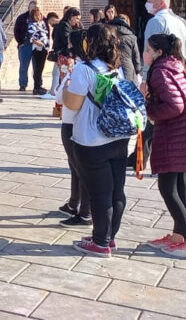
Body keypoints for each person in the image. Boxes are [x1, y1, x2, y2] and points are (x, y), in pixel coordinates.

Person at [61, 24, 131, 257]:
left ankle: (100, 242)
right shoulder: (115, 68)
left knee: (99, 193)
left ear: (88, 43)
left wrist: (66, 88)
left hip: (92, 139)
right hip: (118, 136)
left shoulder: (84, 69)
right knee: (116, 191)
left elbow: (73, 104)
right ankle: (109, 237)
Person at [142, 33, 186, 260]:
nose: (144, 53)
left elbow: (174, 106)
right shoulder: (175, 64)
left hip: (176, 135)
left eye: (148, 50)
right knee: (181, 186)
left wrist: (147, 107)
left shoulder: (160, 71)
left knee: (168, 188)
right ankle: (177, 237)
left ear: (158, 52)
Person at [56, 20, 91, 227]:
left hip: (72, 122)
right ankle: (74, 202)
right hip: (80, 122)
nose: (68, 46)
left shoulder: (79, 68)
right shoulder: (90, 66)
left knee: (79, 167)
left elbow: (62, 97)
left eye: (70, 43)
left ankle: (84, 211)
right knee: (75, 166)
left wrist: (66, 84)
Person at [142, 0, 186, 75]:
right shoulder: (183, 22)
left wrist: (146, 77)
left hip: (162, 75)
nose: (147, 5)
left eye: (149, 2)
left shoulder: (155, 22)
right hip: (181, 73)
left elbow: (150, 53)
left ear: (161, 3)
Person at [107, 12, 141, 84]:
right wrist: (137, 71)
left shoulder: (108, 33)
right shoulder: (131, 36)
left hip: (111, 68)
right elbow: (136, 57)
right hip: (128, 69)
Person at [13, 0, 38, 91]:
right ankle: (23, 84)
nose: (33, 9)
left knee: (37, 67)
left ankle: (37, 85)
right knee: (23, 66)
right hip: (25, 45)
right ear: (28, 8)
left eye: (35, 8)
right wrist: (20, 42)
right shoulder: (22, 18)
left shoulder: (40, 18)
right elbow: (16, 31)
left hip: (37, 45)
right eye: (31, 7)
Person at [28, 9, 53, 96]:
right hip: (37, 49)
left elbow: (46, 34)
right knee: (37, 68)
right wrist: (39, 43)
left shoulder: (42, 23)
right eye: (36, 15)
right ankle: (36, 87)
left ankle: (39, 85)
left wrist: (47, 46)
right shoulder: (32, 25)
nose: (38, 17)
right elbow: (31, 37)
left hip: (44, 49)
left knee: (41, 68)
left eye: (39, 15)